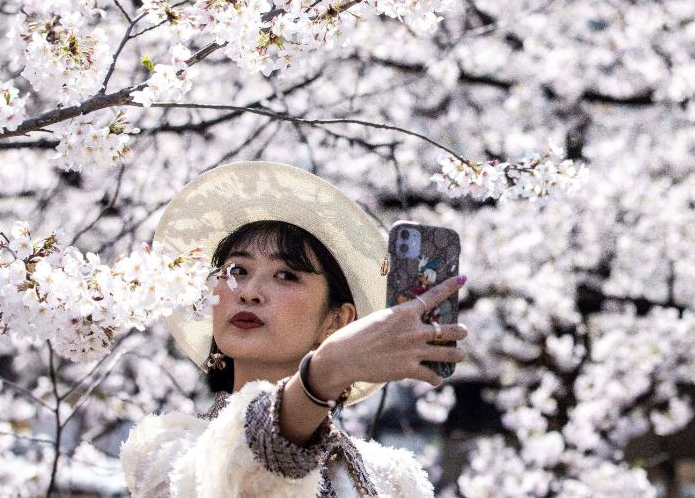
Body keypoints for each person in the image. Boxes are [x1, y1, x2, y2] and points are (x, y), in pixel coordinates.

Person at [120, 161, 468, 497]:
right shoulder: (166, 449)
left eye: (286, 275)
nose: (249, 292)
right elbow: (236, 474)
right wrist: (323, 374)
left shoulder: (392, 480)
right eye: (237, 270)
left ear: (337, 321)